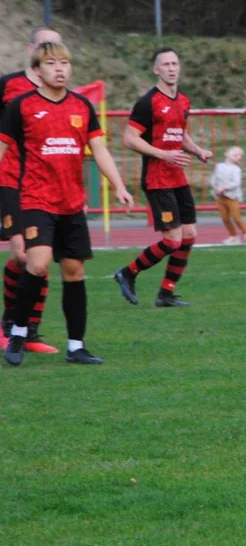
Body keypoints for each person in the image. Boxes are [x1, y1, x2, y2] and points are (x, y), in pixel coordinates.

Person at [0, 41, 135, 365]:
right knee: (37, 263)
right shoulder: (21, 106)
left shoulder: (82, 107)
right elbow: (3, 148)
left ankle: (76, 346)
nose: (59, 69)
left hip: (72, 203)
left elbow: (99, 150)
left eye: (64, 62)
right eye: (50, 63)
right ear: (37, 70)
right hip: (36, 199)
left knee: (74, 273)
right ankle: (18, 330)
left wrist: (118, 184)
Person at [113, 47, 212, 308]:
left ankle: (166, 294)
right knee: (172, 240)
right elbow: (130, 138)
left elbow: (179, 134)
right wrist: (163, 154)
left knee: (189, 234)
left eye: (175, 63)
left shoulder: (184, 101)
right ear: (156, 69)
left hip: (177, 177)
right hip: (157, 179)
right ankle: (127, 273)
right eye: (166, 64)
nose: (171, 68)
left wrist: (198, 150)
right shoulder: (148, 102)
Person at [0, 26, 64, 354]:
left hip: (46, 185)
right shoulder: (8, 84)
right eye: (44, 47)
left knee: (43, 258)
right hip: (11, 179)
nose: (51, 52)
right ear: (30, 50)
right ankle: (9, 324)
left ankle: (31, 331)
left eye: (57, 49)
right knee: (22, 255)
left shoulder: (59, 91)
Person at [211, 146, 246, 244]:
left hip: (232, 197)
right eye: (235, 152)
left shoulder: (236, 169)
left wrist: (224, 188)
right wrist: (216, 187)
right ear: (226, 153)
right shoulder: (219, 166)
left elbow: (236, 183)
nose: (237, 155)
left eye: (239, 155)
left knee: (236, 216)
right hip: (220, 197)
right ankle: (233, 236)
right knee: (225, 218)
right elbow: (213, 179)